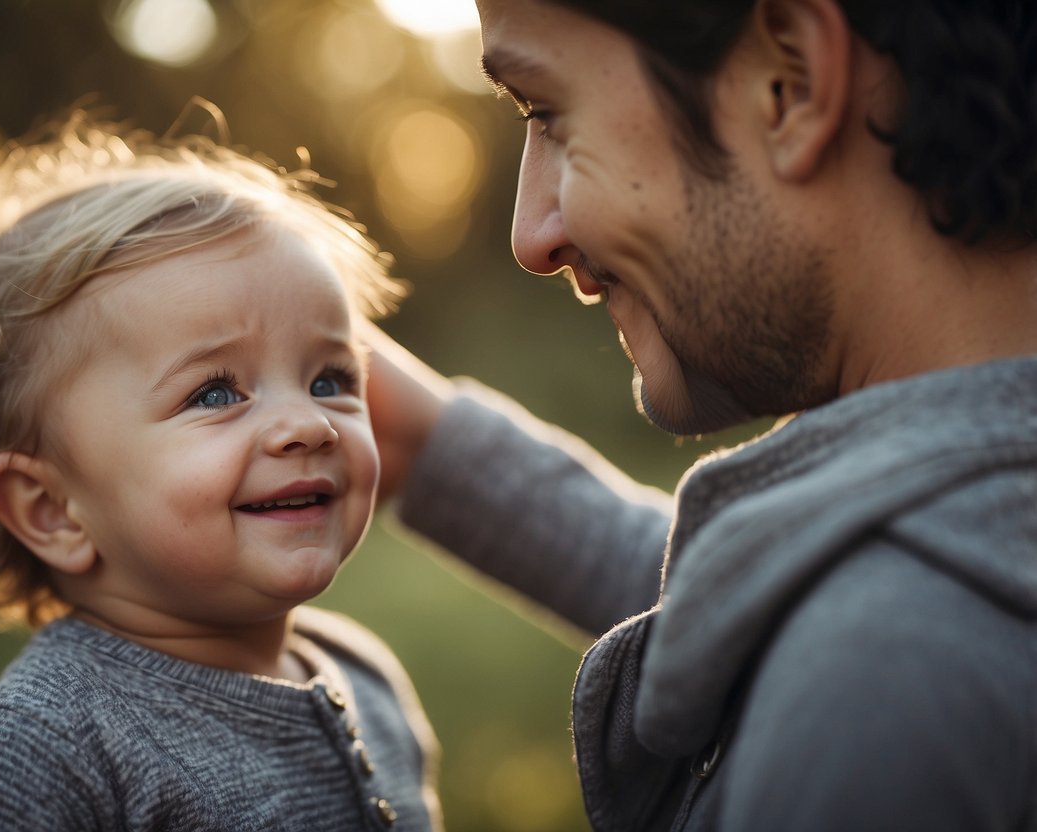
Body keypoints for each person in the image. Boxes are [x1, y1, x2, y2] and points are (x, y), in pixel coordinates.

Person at [365, 1, 1037, 830]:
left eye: (548, 113)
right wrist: (416, 434)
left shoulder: (875, 687)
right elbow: (741, 589)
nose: (530, 234)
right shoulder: (965, 552)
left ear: (785, 81)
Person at [0, 107, 441, 831]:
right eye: (214, 392)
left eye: (329, 377)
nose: (308, 423)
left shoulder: (362, 674)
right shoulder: (42, 757)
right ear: (52, 508)